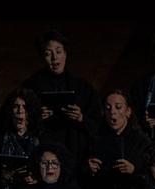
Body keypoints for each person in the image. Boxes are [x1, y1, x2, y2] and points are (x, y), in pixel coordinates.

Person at [22, 29, 99, 160]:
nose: (54, 58)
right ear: (42, 57)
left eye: (58, 52)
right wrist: (35, 116)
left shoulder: (82, 87)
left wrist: (81, 118)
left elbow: (97, 122)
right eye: (48, 54)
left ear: (65, 53)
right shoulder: (30, 87)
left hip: (75, 152)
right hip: (43, 153)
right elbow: (17, 118)